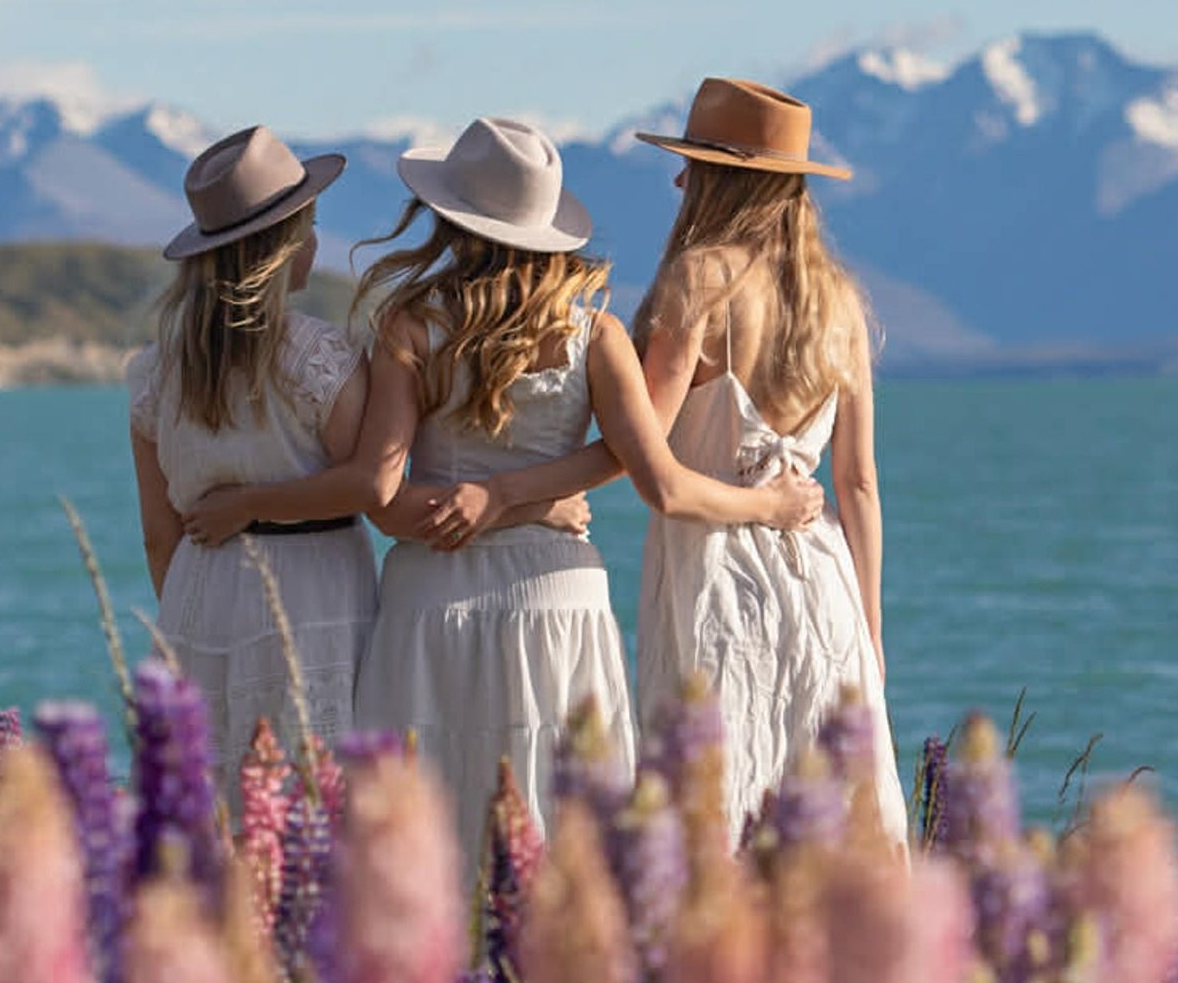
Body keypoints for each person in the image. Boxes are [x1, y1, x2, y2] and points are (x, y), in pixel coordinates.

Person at [334, 115, 822, 869]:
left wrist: (489, 499)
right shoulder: (595, 336)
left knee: (422, 836)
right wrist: (775, 505)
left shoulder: (408, 327)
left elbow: (383, 500)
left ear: (448, 220)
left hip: (432, 598)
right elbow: (649, 470)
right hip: (557, 601)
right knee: (565, 834)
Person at [630, 76, 909, 848]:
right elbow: (856, 483)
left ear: (723, 178)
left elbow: (640, 455)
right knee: (827, 825)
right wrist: (871, 628)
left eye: (693, 163)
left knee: (713, 813)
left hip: (714, 578)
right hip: (825, 586)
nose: (680, 179)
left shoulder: (698, 281)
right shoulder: (841, 301)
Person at [127, 125, 380, 774]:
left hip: (200, 588)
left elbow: (160, 534)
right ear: (284, 247)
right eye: (311, 227)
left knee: (212, 799)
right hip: (314, 589)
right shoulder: (321, 356)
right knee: (311, 791)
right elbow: (366, 484)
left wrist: (194, 600)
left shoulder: (158, 370)